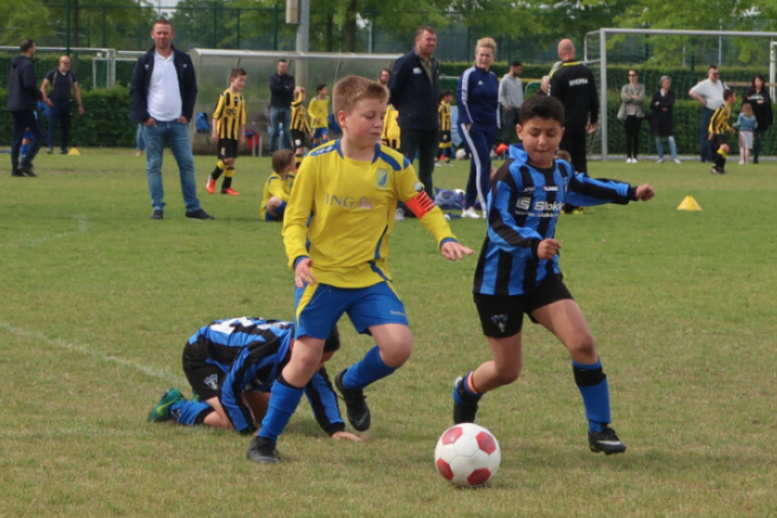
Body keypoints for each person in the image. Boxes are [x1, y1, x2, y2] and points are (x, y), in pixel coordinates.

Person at [247, 75, 474, 464]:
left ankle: (350, 383)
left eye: (382, 115)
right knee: (304, 360)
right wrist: (299, 258)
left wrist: (444, 237)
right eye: (369, 116)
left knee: (399, 347)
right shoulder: (316, 163)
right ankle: (264, 440)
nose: (378, 124)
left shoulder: (395, 164)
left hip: (369, 277)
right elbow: (294, 220)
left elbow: (424, 206)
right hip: (321, 276)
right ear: (342, 118)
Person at [451, 94, 655, 456]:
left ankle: (600, 428)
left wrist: (630, 192)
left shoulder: (561, 171)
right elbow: (497, 226)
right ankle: (465, 390)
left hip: (542, 278)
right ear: (519, 132)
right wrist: (534, 244)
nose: (542, 141)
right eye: (534, 133)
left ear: (561, 133)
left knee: (583, 343)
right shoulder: (510, 174)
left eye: (550, 133)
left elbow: (585, 187)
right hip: (499, 285)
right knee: (507, 370)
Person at [147, 317, 362, 444]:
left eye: (323, 362)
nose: (318, 367)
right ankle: (175, 407)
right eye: (317, 361)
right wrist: (249, 430)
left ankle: (206, 398)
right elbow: (230, 388)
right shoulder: (262, 350)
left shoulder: (307, 347)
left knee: (268, 413)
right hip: (204, 357)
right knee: (234, 421)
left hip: (232, 366)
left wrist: (335, 429)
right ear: (294, 345)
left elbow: (320, 388)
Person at [129, 19, 213, 221]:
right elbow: (135, 91)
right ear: (152, 35)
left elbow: (191, 89)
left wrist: (187, 114)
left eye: (165, 33)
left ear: (172, 35)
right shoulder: (145, 61)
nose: (162, 36)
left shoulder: (183, 59)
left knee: (187, 164)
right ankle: (157, 207)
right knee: (154, 166)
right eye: (159, 33)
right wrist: (144, 117)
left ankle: (192, 207)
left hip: (178, 123)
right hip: (153, 124)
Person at [390, 26, 441, 199]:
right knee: (406, 165)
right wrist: (405, 110)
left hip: (431, 123)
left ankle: (426, 204)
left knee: (427, 169)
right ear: (417, 40)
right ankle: (400, 204)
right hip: (411, 123)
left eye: (434, 40)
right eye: (428, 39)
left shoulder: (435, 64)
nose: (432, 43)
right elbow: (393, 89)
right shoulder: (405, 62)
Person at [457, 37, 500, 219]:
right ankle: (486, 207)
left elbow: (496, 103)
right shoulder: (469, 75)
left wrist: (497, 124)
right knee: (484, 162)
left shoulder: (493, 78)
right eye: (481, 54)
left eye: (487, 55)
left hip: (489, 126)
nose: (484, 58)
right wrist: (468, 121)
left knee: (478, 165)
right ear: (476, 55)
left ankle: (468, 206)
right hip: (472, 125)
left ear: (492, 57)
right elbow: (462, 99)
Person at [549, 38, 598, 176]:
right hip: (581, 124)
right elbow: (593, 98)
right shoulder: (587, 72)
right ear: (574, 51)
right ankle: (582, 183)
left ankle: (565, 184)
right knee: (580, 159)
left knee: (564, 158)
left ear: (560, 53)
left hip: (564, 126)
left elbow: (553, 103)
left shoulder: (558, 74)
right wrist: (593, 119)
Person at [206, 67, 247, 197]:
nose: (242, 83)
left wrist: (242, 134)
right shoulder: (224, 96)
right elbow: (215, 116)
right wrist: (214, 131)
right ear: (232, 79)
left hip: (234, 134)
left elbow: (242, 119)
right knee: (227, 159)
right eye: (240, 80)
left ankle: (226, 187)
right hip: (224, 133)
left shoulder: (241, 99)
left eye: (244, 81)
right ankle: (212, 178)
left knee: (232, 160)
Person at [7, 38, 44, 178]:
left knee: (17, 137)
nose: (35, 49)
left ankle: (15, 169)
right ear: (29, 48)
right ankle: (26, 163)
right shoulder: (28, 64)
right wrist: (39, 95)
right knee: (40, 135)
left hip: (14, 104)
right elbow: (28, 84)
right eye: (34, 46)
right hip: (25, 105)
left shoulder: (15, 64)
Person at [40, 55, 84, 155]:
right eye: (65, 63)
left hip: (67, 103)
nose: (68, 65)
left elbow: (76, 90)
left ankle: (63, 148)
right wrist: (46, 100)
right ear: (60, 63)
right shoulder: (53, 73)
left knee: (65, 126)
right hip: (55, 103)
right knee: (52, 125)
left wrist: (80, 104)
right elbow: (43, 87)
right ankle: (50, 147)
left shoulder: (71, 75)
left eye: (69, 63)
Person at [689, 66, 727, 163]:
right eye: (714, 74)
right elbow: (692, 92)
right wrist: (701, 100)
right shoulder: (704, 84)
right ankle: (705, 157)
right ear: (709, 74)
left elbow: (728, 93)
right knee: (706, 134)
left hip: (720, 113)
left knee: (718, 135)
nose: (716, 76)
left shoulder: (721, 83)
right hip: (709, 111)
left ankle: (714, 157)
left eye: (718, 74)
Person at [742, 74, 773, 164]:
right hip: (748, 120)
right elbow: (746, 101)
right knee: (747, 138)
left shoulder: (765, 93)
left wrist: (753, 102)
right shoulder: (749, 91)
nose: (759, 83)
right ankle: (745, 158)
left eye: (760, 81)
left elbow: (766, 104)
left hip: (760, 120)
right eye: (757, 81)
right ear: (754, 82)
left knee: (758, 139)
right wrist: (756, 102)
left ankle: (755, 158)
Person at [617, 69, 645, 164]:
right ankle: (629, 156)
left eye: (633, 75)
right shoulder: (625, 87)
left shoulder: (641, 87)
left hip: (637, 114)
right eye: (629, 75)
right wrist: (633, 97)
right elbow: (623, 98)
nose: (631, 77)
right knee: (628, 136)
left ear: (636, 76)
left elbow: (640, 99)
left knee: (635, 136)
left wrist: (629, 96)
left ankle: (635, 156)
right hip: (627, 114)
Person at [650, 76, 680, 164]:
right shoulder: (656, 93)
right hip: (657, 119)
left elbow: (670, 104)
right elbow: (652, 105)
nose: (667, 84)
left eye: (669, 83)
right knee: (658, 138)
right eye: (666, 82)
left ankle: (675, 157)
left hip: (667, 119)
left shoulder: (671, 94)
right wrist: (661, 106)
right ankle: (660, 157)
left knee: (670, 138)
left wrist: (659, 104)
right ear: (661, 83)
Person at [259, 149, 296, 221]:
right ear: (287, 165)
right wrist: (296, 202)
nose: (295, 162)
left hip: (289, 204)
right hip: (271, 213)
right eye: (293, 161)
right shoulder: (274, 179)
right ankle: (294, 213)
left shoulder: (291, 176)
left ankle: (289, 215)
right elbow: (281, 195)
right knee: (274, 201)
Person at [268, 59, 295, 153]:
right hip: (275, 106)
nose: (283, 68)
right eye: (281, 66)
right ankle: (271, 150)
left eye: (285, 66)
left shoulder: (290, 78)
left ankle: (287, 151)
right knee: (274, 130)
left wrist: (281, 89)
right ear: (278, 67)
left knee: (287, 131)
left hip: (287, 107)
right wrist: (284, 88)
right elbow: (273, 89)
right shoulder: (272, 78)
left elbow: (291, 89)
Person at [708, 89, 736, 175]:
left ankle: (720, 168)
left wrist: (728, 128)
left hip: (721, 131)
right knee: (724, 147)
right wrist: (712, 132)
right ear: (729, 98)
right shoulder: (722, 107)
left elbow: (723, 121)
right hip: (717, 131)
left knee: (726, 149)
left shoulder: (728, 107)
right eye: (734, 96)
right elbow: (713, 120)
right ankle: (715, 167)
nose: (735, 98)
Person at [499, 60, 524, 145]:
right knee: (507, 130)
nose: (520, 72)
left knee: (522, 129)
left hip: (519, 109)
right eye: (518, 69)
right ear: (513, 68)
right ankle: (505, 149)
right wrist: (506, 105)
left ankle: (524, 147)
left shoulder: (519, 81)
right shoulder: (505, 80)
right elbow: (501, 94)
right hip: (510, 109)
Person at [290, 86, 312, 168]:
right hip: (295, 130)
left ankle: (296, 164)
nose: (304, 97)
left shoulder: (302, 108)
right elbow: (299, 101)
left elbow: (305, 121)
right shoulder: (294, 104)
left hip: (301, 131)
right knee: (299, 148)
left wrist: (309, 132)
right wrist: (301, 92)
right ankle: (296, 167)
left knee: (300, 149)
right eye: (303, 95)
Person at [308, 83, 330, 148]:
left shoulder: (327, 99)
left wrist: (327, 117)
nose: (326, 91)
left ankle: (325, 151)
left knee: (325, 137)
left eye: (327, 89)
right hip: (316, 124)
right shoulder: (314, 101)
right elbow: (309, 111)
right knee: (316, 139)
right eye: (325, 89)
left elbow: (325, 109)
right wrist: (315, 118)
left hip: (324, 122)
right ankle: (313, 151)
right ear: (320, 91)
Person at [437, 89, 454, 165]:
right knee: (442, 144)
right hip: (442, 129)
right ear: (445, 97)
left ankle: (447, 161)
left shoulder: (448, 105)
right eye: (450, 96)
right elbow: (436, 114)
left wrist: (449, 125)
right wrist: (438, 124)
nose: (451, 98)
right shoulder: (441, 105)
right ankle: (435, 160)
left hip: (447, 128)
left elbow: (448, 117)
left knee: (449, 144)